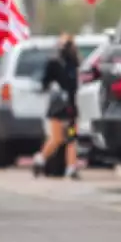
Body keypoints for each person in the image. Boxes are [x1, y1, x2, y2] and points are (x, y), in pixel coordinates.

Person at [33, 33, 81, 179]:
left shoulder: (74, 64)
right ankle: (40, 159)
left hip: (71, 108)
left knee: (72, 138)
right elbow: (44, 83)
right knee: (57, 138)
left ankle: (71, 168)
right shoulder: (54, 64)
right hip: (58, 108)